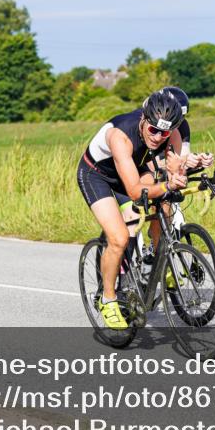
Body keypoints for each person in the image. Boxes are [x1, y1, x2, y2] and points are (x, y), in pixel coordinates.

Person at [77, 91, 187, 329]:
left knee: (164, 207)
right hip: (97, 176)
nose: (158, 137)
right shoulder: (120, 136)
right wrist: (167, 184)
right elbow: (136, 192)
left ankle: (156, 262)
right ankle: (108, 299)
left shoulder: (171, 134)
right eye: (153, 130)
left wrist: (179, 176)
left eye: (164, 133)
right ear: (143, 120)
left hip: (132, 169)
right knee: (118, 238)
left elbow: (173, 169)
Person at [160, 86, 214, 172]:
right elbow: (150, 165)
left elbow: (183, 158)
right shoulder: (151, 126)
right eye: (173, 117)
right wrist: (183, 161)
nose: (177, 122)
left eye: (181, 117)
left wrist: (197, 161)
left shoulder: (183, 125)